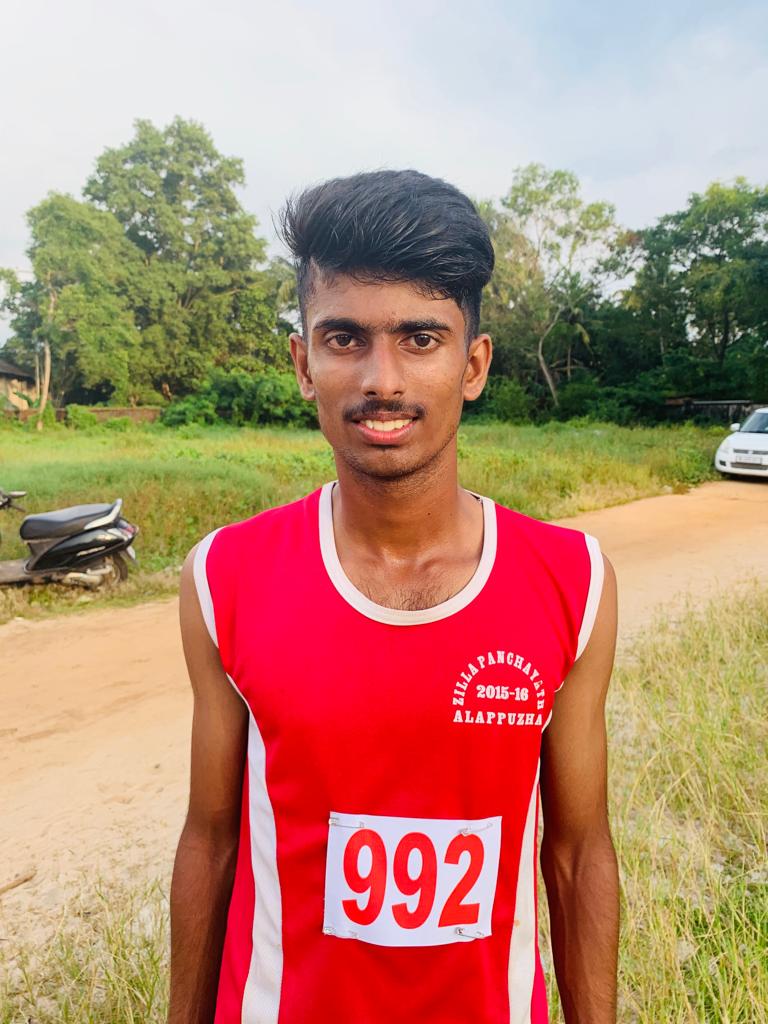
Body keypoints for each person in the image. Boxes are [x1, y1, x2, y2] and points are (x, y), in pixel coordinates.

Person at [167, 169, 620, 1024]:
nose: (382, 379)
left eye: (420, 338)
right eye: (344, 338)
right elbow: (210, 839)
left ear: (473, 364)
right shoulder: (225, 574)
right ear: (303, 364)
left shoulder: (572, 580)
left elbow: (577, 850)